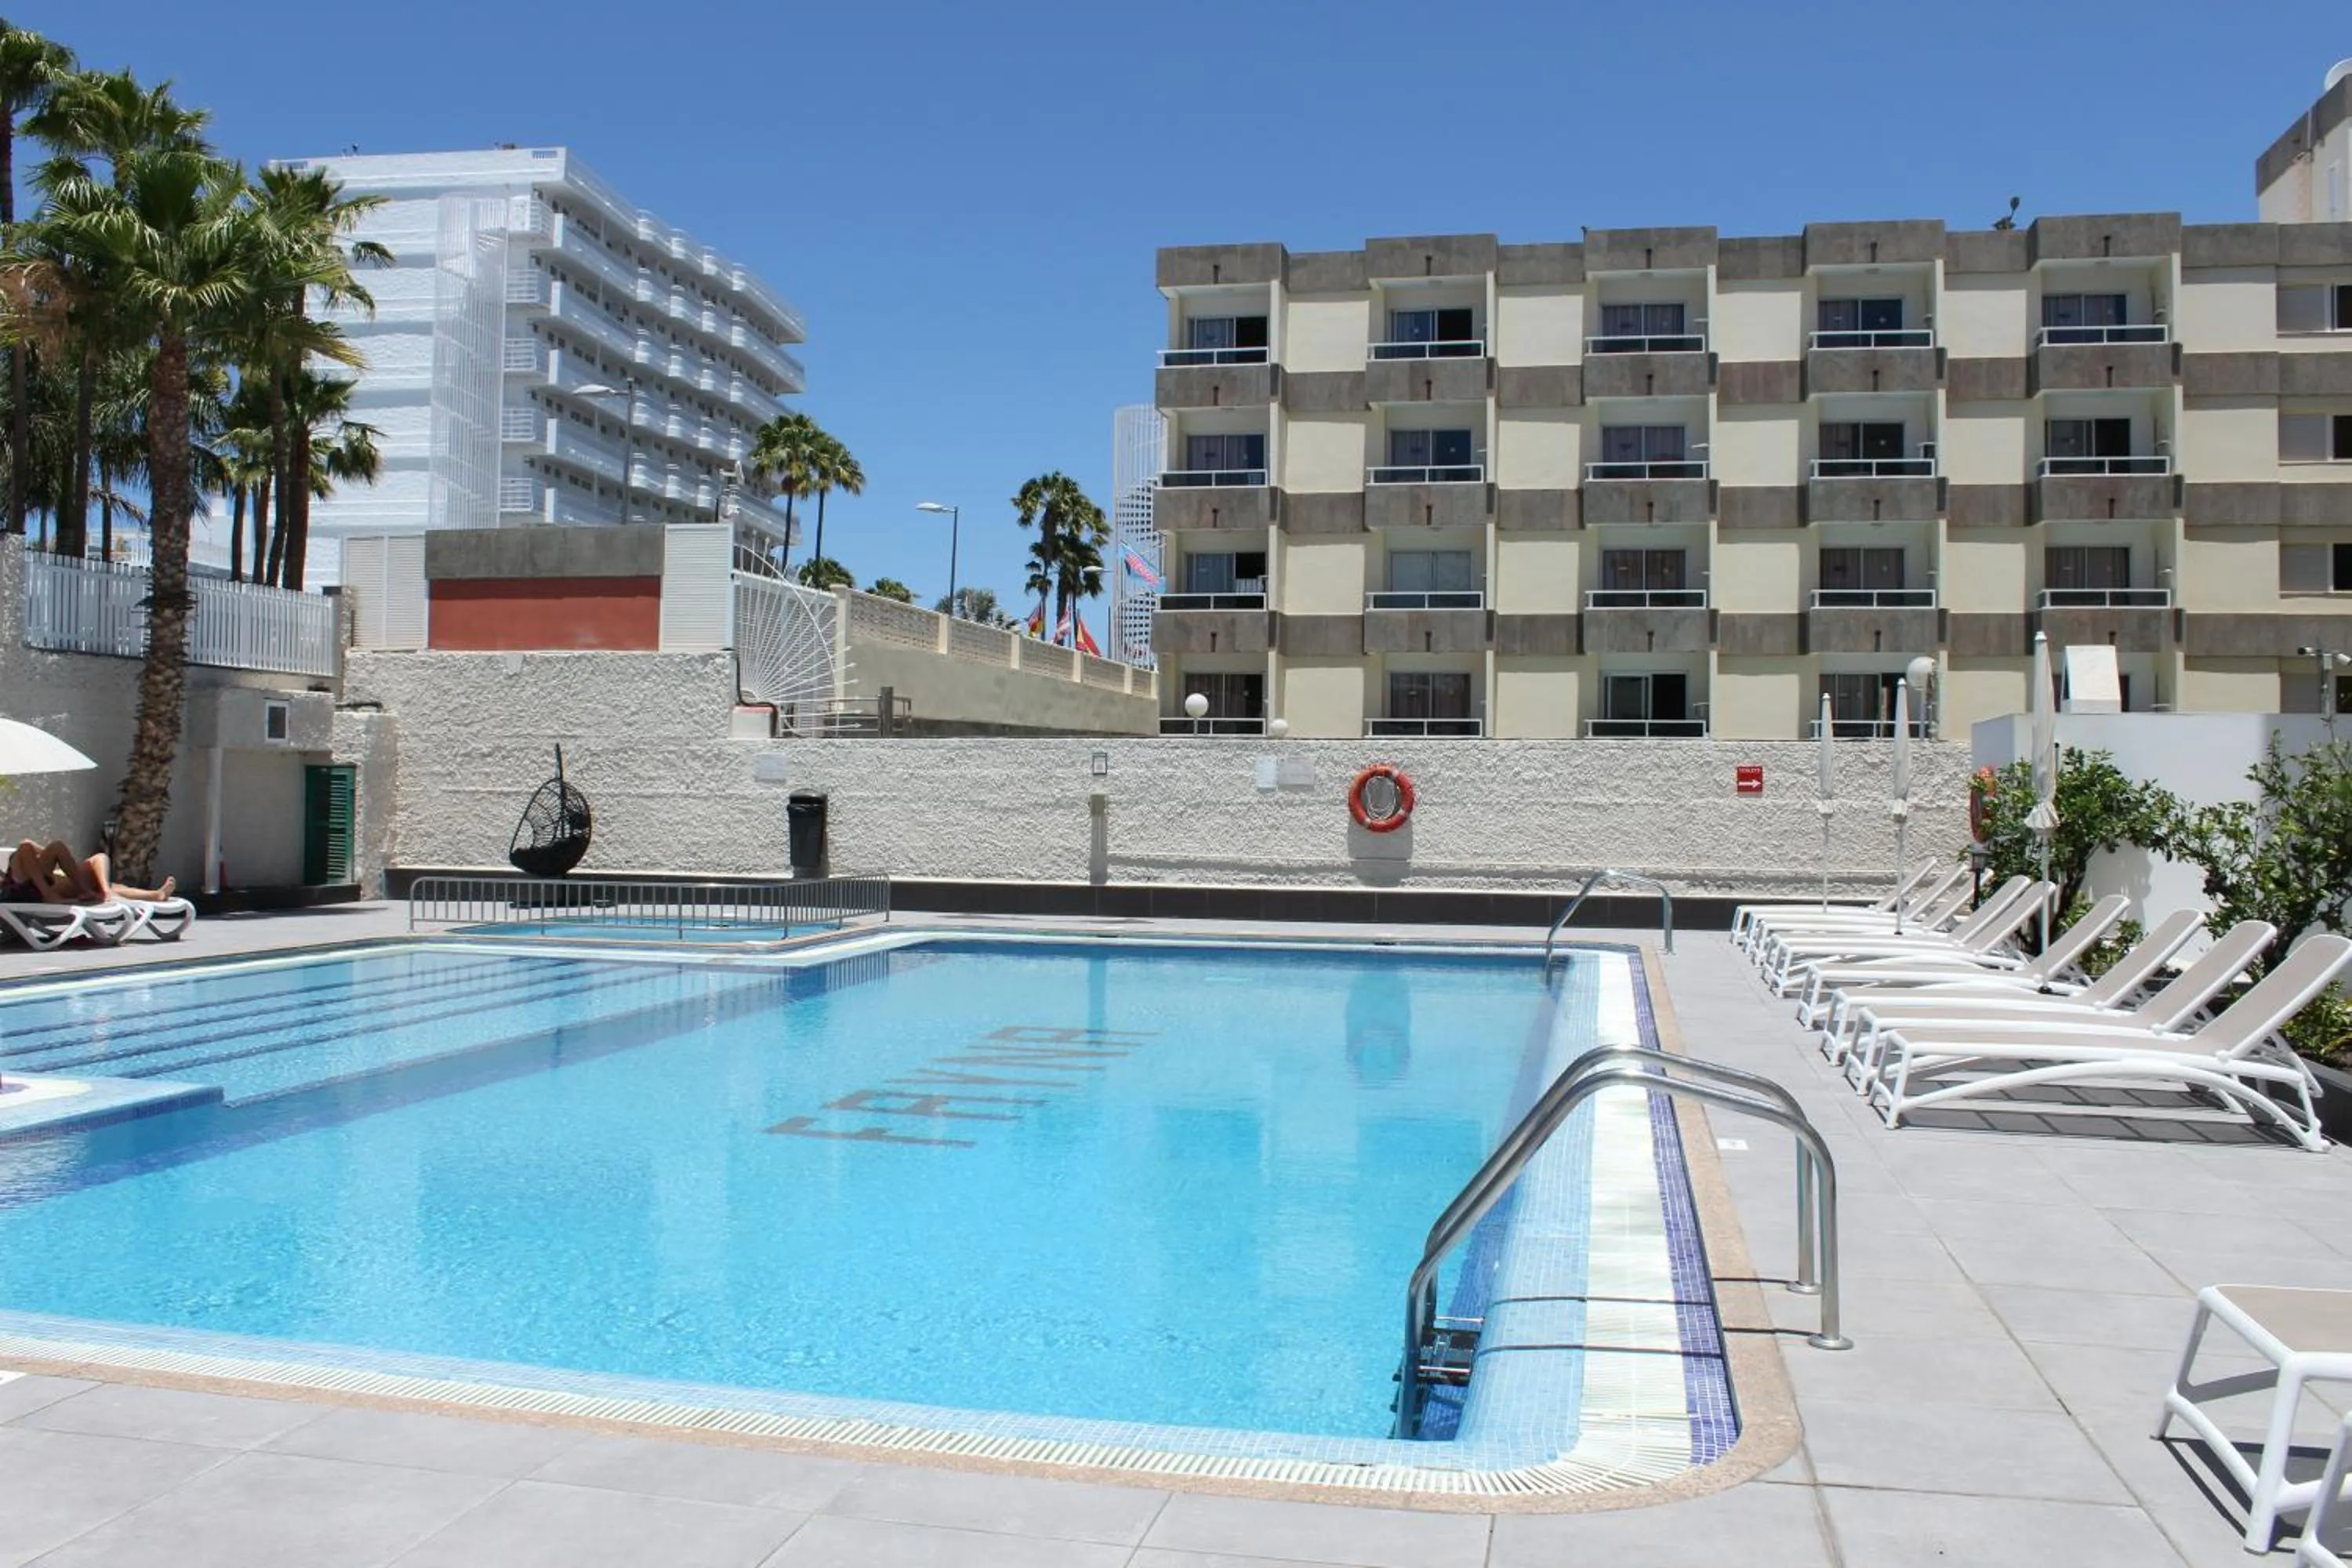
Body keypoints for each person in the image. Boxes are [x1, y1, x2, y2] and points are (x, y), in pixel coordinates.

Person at [5, 840, 175, 906]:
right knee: (30, 846)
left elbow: (38, 850)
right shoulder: (18, 872)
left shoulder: (40, 869)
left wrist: (62, 863)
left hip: (59, 885)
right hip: (34, 890)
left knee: (101, 863)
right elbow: (27, 846)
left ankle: (156, 895)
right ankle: (100, 891)